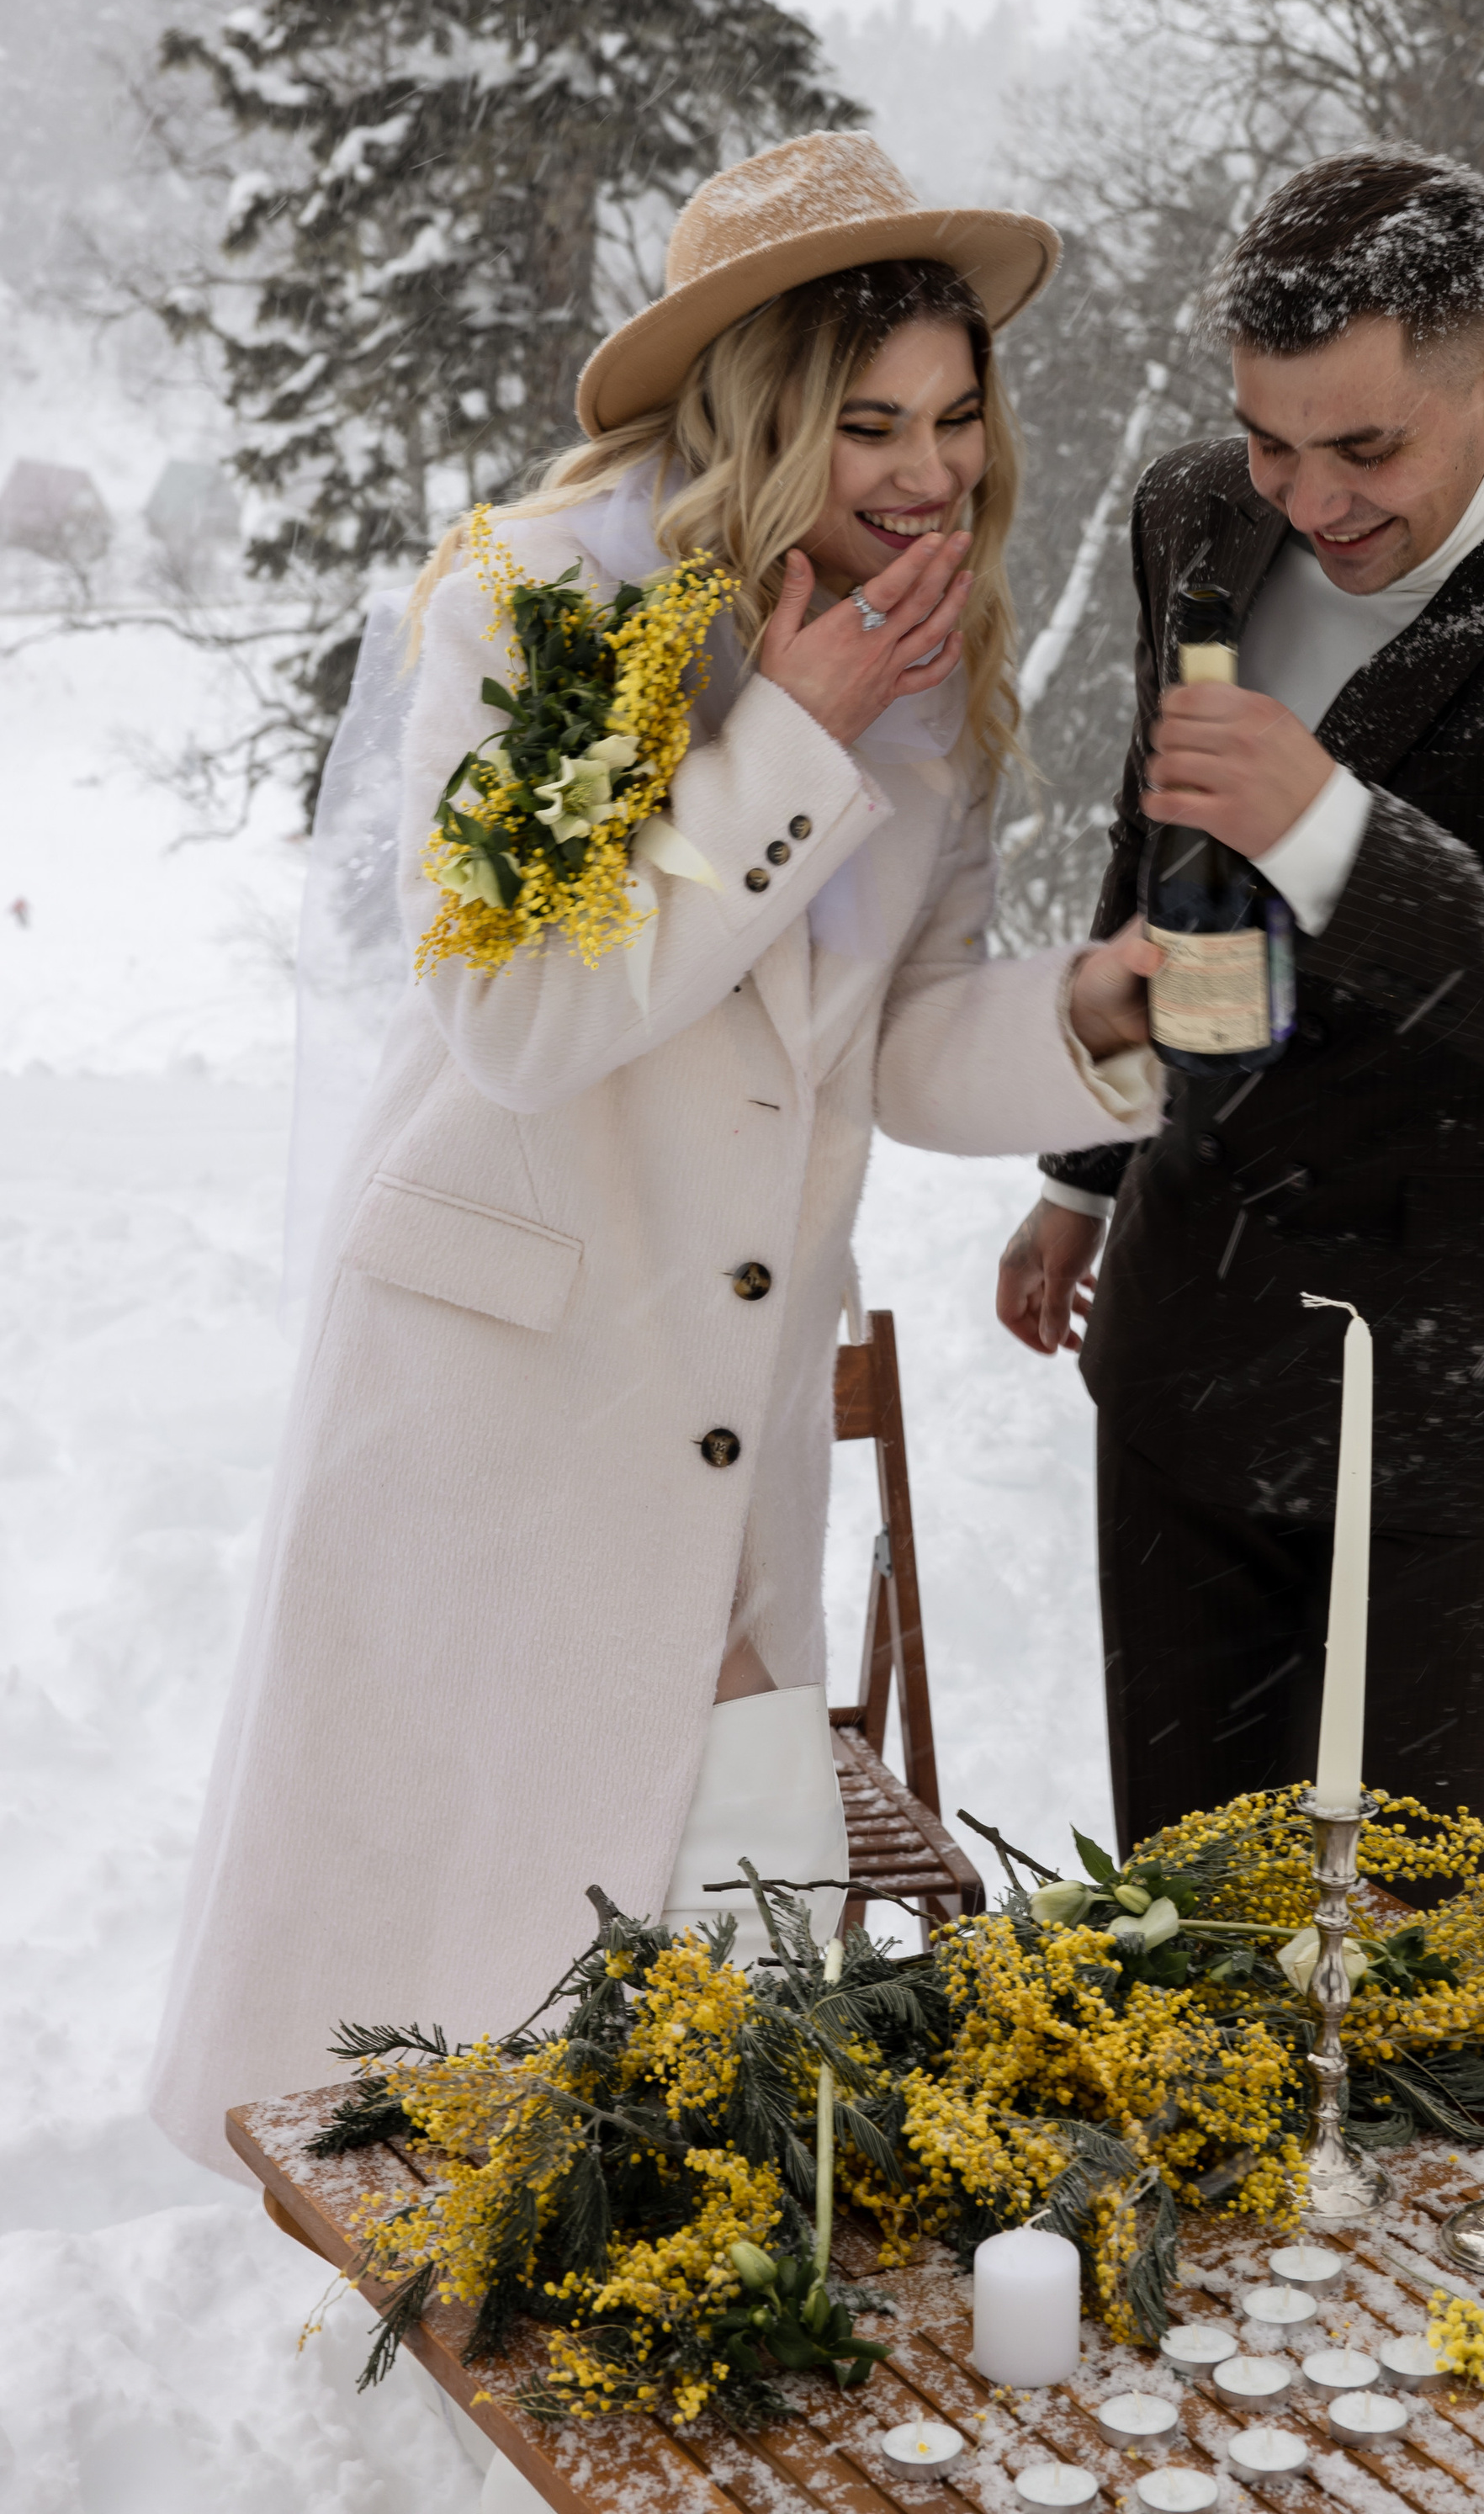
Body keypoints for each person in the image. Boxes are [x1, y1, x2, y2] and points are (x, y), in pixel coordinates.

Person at [151, 130, 1163, 2177]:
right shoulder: (526, 606)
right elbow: (518, 1016)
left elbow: (907, 1046)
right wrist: (782, 731)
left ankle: (661, 2344)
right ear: (757, 407)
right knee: (427, 1978)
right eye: (868, 419)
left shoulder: (932, 678)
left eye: (958, 418)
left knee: (716, 1980)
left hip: (726, 1396)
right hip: (497, 1379)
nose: (927, 470)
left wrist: (1097, 1019)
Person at [996, 149, 1484, 1859]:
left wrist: (1336, 834)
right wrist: (1082, 1172)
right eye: (1269, 437)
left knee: (1407, 2005)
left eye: (1363, 448)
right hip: (1188, 1350)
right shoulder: (1187, 513)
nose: (1302, 497)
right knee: (1185, 1941)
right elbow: (1163, 850)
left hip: (1474, 1421)